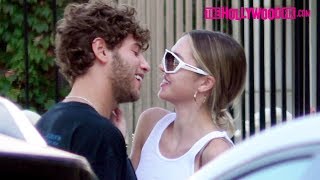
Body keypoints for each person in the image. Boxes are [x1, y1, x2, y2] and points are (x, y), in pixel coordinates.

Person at [36, 1, 150, 179]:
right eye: (135, 52)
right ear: (101, 50)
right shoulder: (100, 135)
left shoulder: (46, 122)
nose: (145, 65)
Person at [130, 30, 247, 179]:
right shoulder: (151, 123)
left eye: (173, 61)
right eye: (167, 57)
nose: (162, 66)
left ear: (205, 83)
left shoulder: (216, 152)